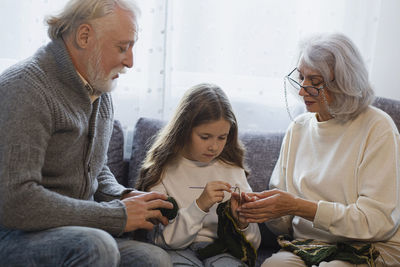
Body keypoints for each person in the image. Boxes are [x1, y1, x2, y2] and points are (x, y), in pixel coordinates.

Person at [0, 0, 174, 266]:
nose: (130, 61)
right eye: (122, 47)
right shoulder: (26, 88)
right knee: (97, 246)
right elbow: (16, 201)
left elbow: (95, 167)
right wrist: (116, 215)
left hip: (75, 230)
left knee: (152, 259)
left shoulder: (98, 87)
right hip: (14, 233)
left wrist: (122, 196)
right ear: (84, 36)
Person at [238, 33, 400, 267]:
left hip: (371, 246)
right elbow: (284, 224)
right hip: (310, 245)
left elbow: (377, 222)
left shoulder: (378, 128)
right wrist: (261, 208)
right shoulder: (298, 128)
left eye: (314, 82)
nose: (302, 91)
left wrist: (298, 206)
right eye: (301, 78)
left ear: (345, 82)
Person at [136, 83, 261, 266]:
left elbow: (252, 245)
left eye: (222, 137)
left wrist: (243, 223)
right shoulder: (162, 170)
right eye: (205, 137)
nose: (214, 146)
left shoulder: (233, 169)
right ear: (184, 130)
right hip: (176, 250)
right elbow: (165, 240)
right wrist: (200, 205)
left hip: (222, 250)